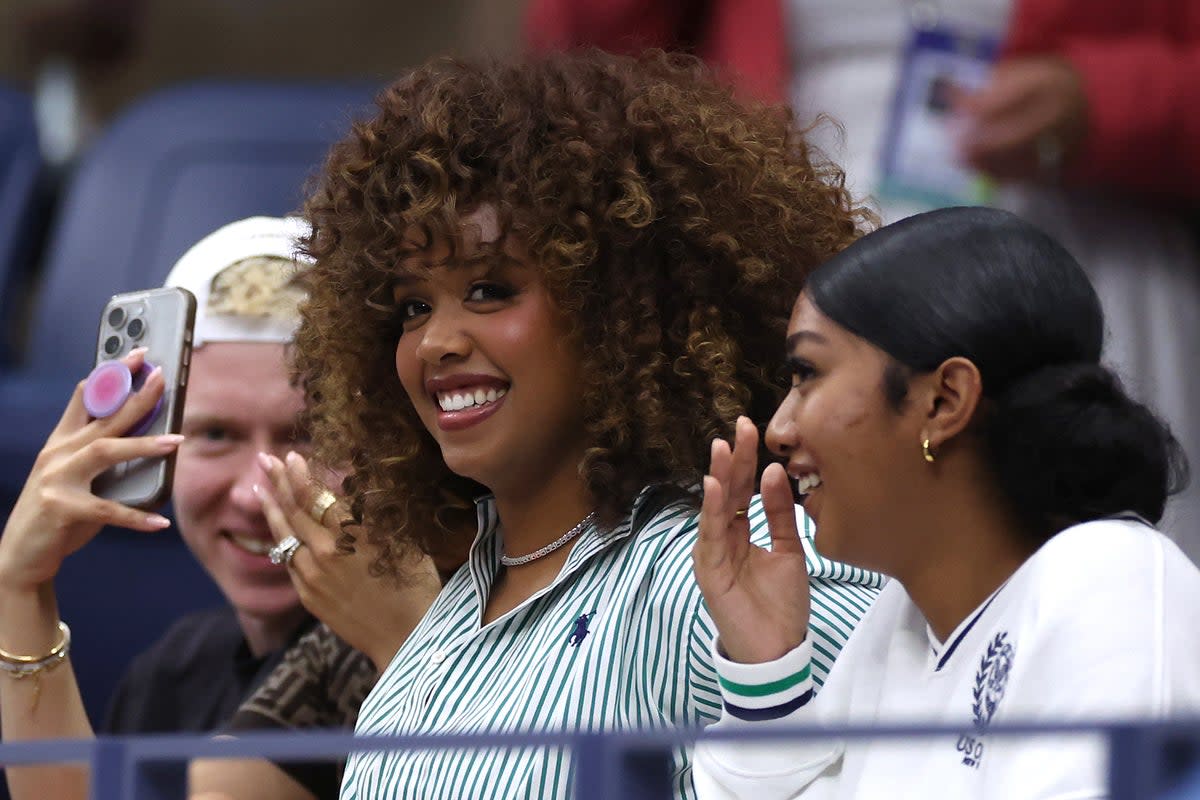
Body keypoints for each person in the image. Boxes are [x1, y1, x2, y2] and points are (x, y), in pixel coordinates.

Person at [246, 49, 885, 800]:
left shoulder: (721, 566)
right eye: (414, 306)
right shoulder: (454, 606)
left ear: (618, 310)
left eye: (488, 290)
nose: (438, 342)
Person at [524, 0, 1200, 567]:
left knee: (1087, 539)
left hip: (1083, 229)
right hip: (805, 210)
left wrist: (1112, 100)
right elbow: (579, 56)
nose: (783, 426)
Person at [690, 206, 1200, 799]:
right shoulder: (899, 621)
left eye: (807, 373)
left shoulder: (1112, 581)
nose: (778, 428)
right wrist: (767, 671)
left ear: (944, 400)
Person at [0, 216, 437, 800]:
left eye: (308, 434)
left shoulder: (428, 641)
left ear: (385, 442)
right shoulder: (171, 673)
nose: (255, 494)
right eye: (216, 435)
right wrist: (18, 586)